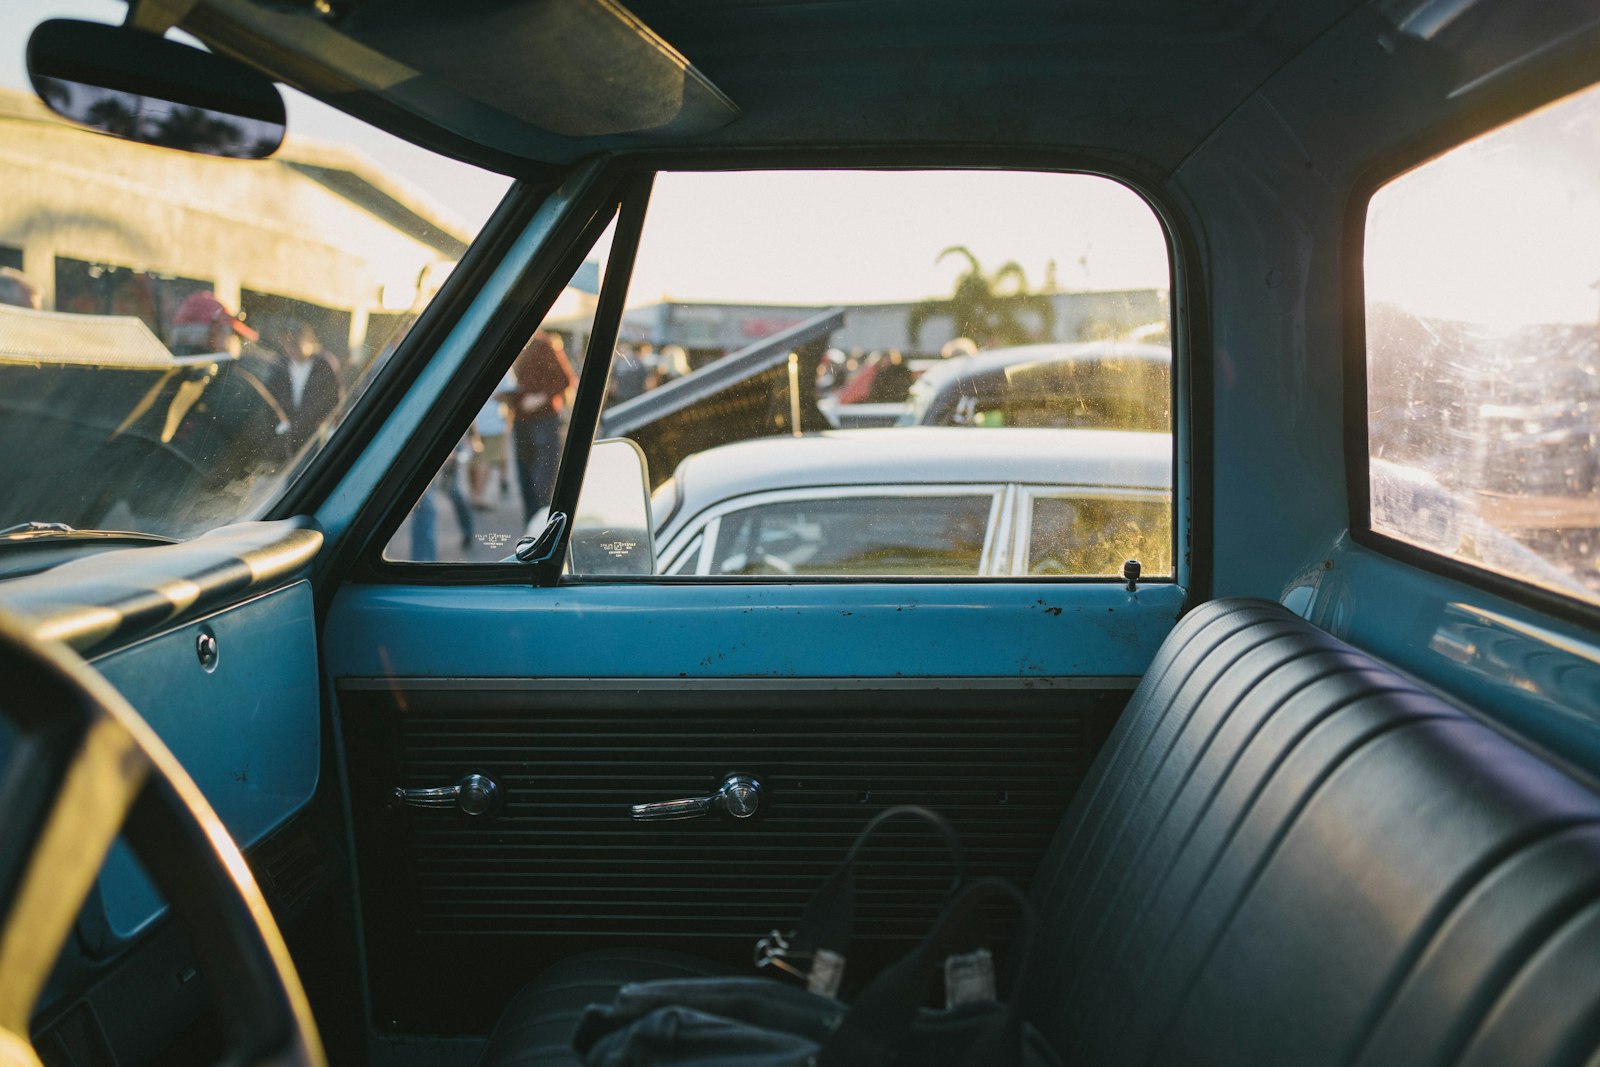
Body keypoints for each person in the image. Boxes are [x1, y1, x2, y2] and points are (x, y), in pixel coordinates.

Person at [503, 330, 577, 525]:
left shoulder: (543, 345)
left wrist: (540, 398)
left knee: (541, 483)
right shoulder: (514, 346)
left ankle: (541, 529)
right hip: (521, 419)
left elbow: (565, 379)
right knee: (524, 477)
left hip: (543, 420)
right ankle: (532, 529)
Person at [262, 318, 342, 452]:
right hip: (287, 439)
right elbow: (271, 397)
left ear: (308, 339)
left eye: (295, 341)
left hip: (315, 438)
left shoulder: (324, 364)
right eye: (286, 342)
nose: (291, 347)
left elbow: (335, 400)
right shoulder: (281, 365)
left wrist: (328, 428)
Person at [469, 372, 514, 508]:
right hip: (494, 424)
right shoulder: (505, 375)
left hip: (476, 422)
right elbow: (510, 396)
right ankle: (478, 496)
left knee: (476, 460)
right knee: (485, 461)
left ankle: (474, 494)